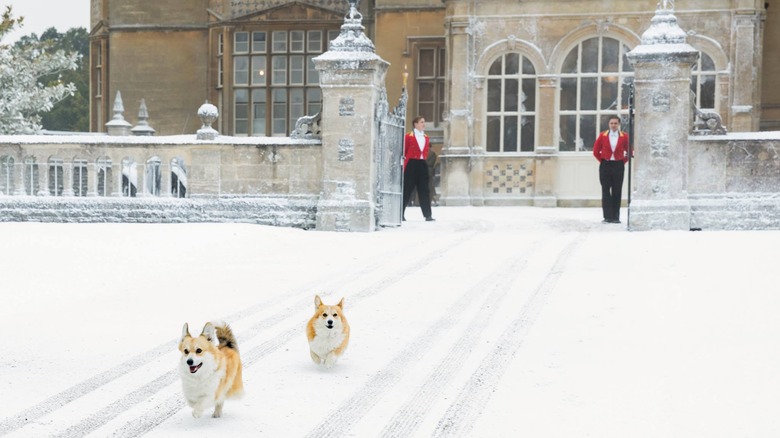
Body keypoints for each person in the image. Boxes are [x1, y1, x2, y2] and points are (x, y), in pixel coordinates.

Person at [593, 115, 629, 224]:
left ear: (619, 124)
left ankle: (616, 216)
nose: (613, 125)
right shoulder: (602, 136)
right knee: (605, 190)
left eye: (615, 123)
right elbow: (595, 151)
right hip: (605, 165)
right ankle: (607, 216)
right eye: (611, 123)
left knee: (617, 190)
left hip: (618, 165)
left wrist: (622, 161)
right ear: (609, 124)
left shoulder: (625, 136)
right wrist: (604, 160)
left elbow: (629, 151)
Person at [402, 116, 434, 221]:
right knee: (407, 189)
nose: (423, 124)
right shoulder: (408, 136)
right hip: (411, 164)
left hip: (422, 164)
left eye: (424, 122)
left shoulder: (426, 137)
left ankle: (428, 215)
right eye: (421, 122)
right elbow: (404, 151)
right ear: (415, 124)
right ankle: (400, 213)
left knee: (424, 190)